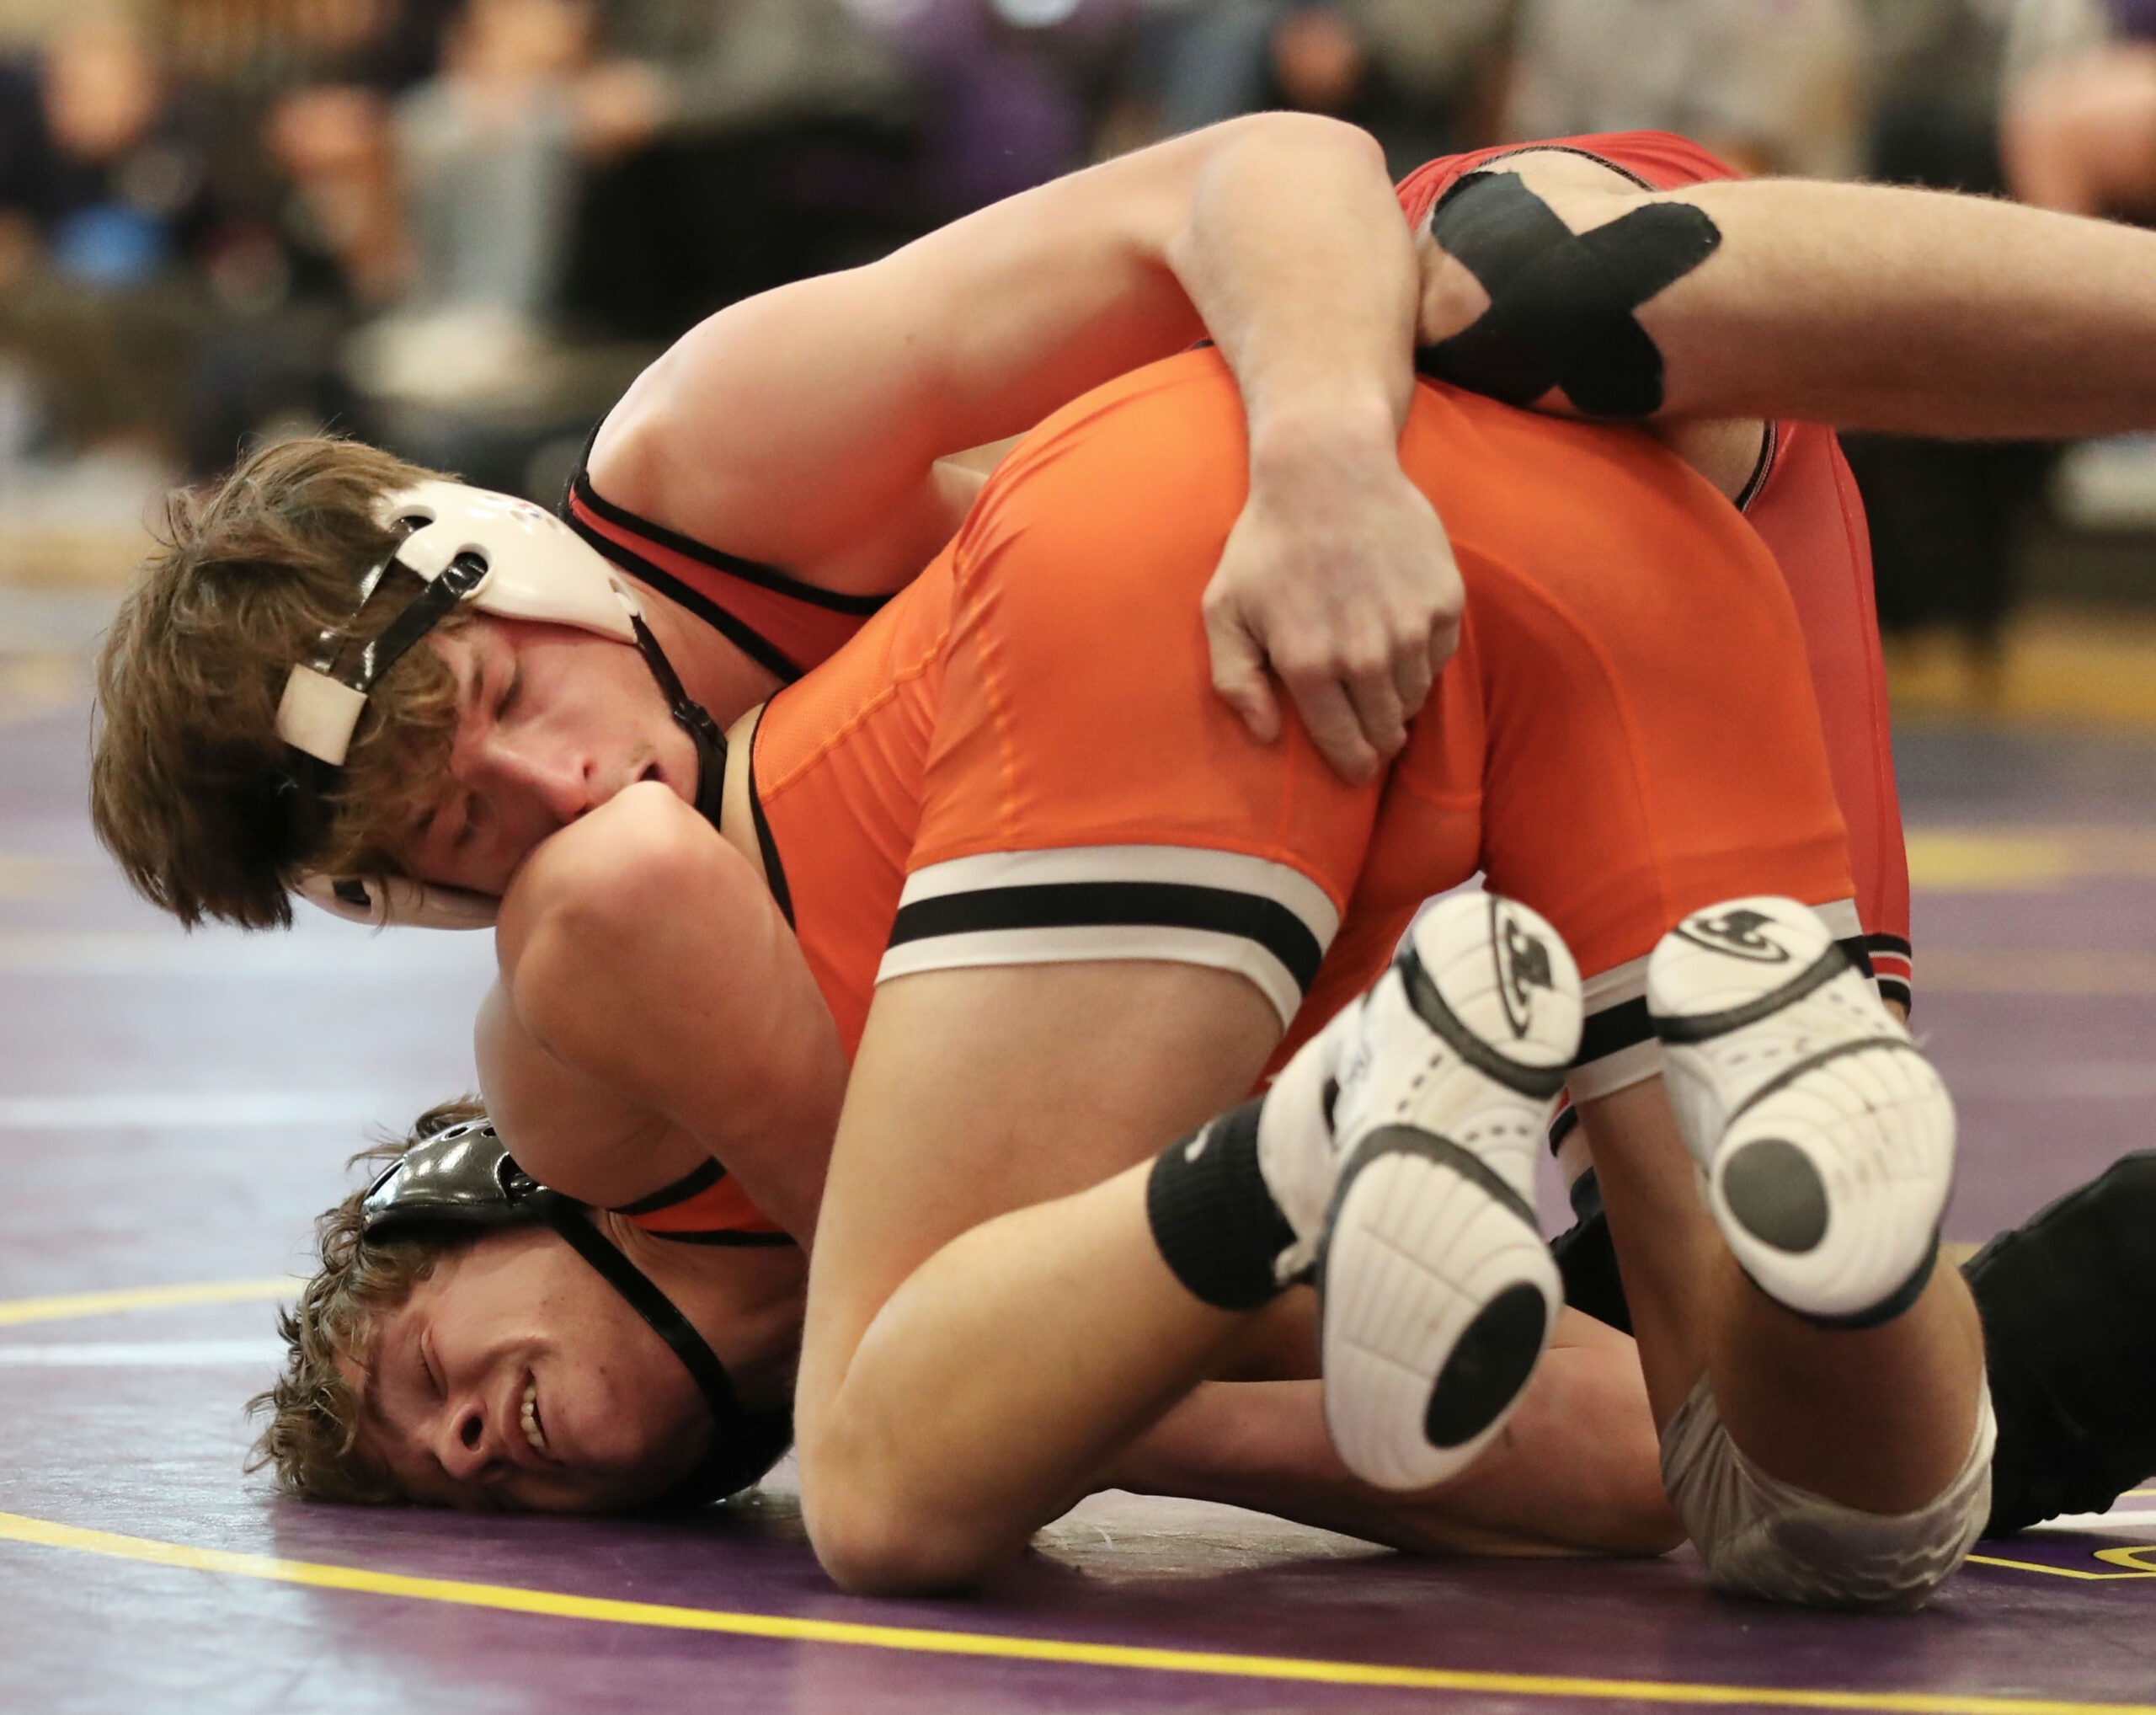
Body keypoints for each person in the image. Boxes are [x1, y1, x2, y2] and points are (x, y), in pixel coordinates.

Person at [95, 127, 2156, 1589]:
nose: (554, 786)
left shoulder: (702, 495)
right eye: (455, 833)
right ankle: (1619, 1084)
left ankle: (1343, 1128)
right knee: (1795, 1485)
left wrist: (1322, 458)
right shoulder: (630, 916)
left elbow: (1264, 172)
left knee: (1492, 278)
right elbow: (1594, 1459)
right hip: (1552, 689)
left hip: (1410, 451)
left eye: (496, 705)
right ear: (388, 898)